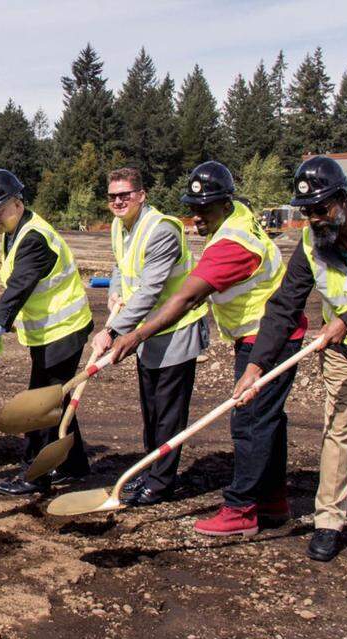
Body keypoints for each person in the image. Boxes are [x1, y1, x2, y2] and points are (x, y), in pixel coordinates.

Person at [234, 156, 347, 562]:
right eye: (307, 212)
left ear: (343, 199)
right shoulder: (309, 245)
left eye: (321, 209)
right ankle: (329, 521)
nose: (315, 219)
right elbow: (284, 306)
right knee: (338, 431)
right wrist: (255, 367)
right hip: (343, 353)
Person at [109, 161, 305, 535]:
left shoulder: (231, 245)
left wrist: (135, 335)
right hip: (263, 333)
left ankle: (242, 509)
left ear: (226, 203)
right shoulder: (237, 218)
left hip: (266, 337)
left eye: (205, 209)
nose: (196, 218)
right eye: (193, 208)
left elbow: (184, 299)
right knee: (268, 422)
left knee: (249, 424)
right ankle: (273, 502)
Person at [90, 167, 210, 506]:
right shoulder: (120, 226)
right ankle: (150, 467)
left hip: (175, 328)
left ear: (142, 195)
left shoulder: (162, 231)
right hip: (145, 330)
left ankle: (161, 483)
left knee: (168, 411)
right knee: (151, 408)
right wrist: (114, 294)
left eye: (125, 195)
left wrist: (112, 330)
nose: (118, 201)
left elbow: (149, 289)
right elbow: (120, 267)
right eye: (113, 196)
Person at [0, 169, 93, 496]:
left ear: (17, 202)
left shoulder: (34, 238)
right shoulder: (15, 231)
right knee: (58, 397)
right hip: (48, 332)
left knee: (39, 404)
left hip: (63, 332)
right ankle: (76, 464)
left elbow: (17, 290)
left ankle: (33, 476)